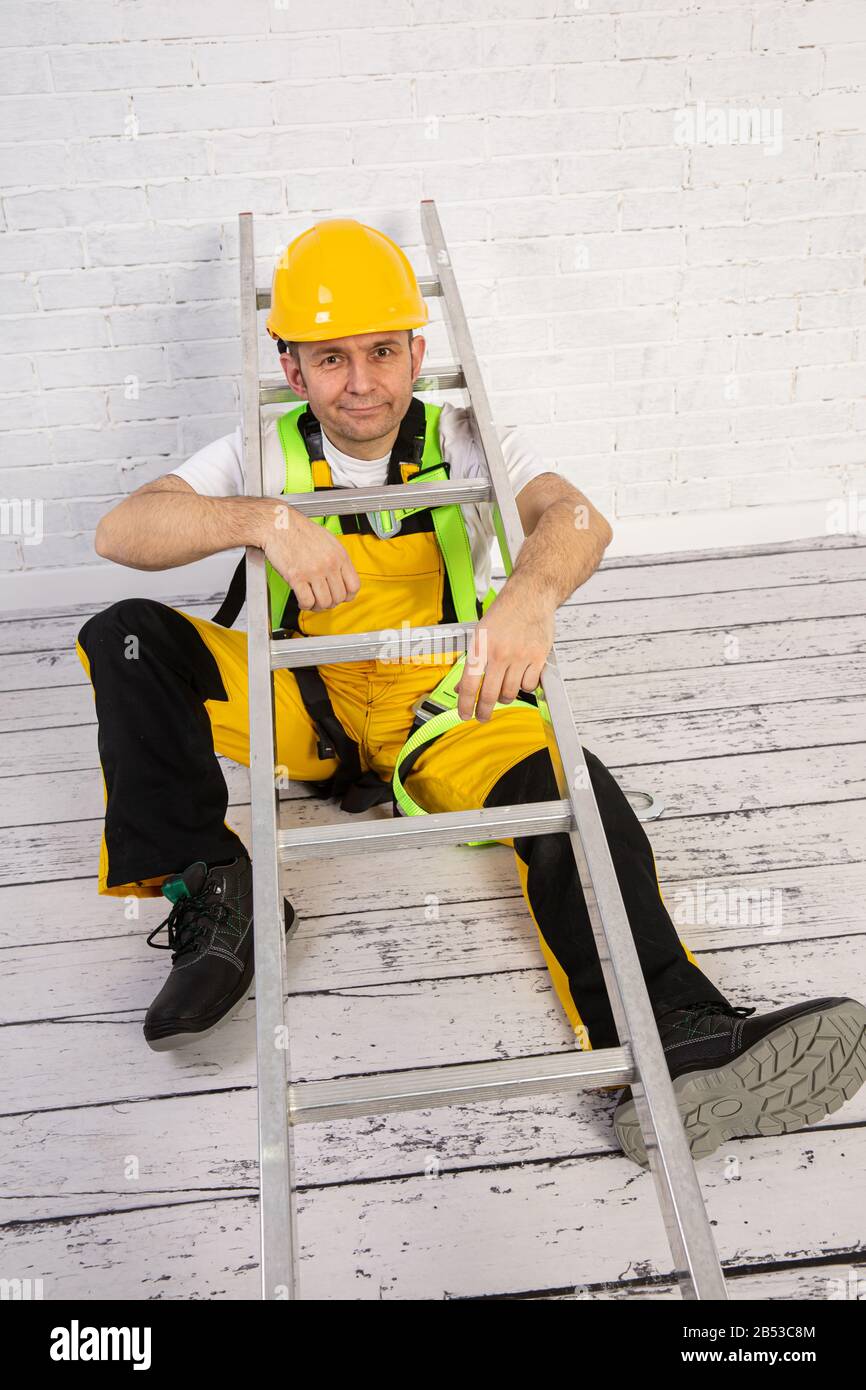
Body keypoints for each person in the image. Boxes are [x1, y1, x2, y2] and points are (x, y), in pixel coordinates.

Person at [77, 218, 866, 1169]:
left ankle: (679, 1034)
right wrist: (265, 521)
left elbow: (576, 517)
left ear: (418, 349)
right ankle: (214, 887)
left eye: (381, 351)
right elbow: (123, 530)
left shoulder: (470, 432)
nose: (360, 382)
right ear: (292, 366)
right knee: (127, 632)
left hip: (442, 715)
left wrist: (530, 595)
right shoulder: (258, 452)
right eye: (330, 358)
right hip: (304, 707)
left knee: (572, 788)